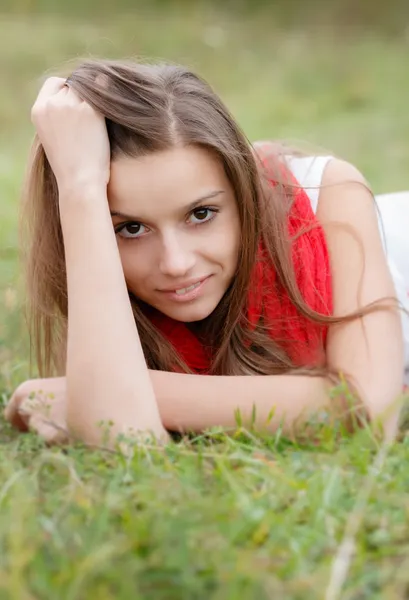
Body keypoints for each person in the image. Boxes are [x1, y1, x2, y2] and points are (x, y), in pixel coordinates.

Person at [4, 58, 407, 448]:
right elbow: (121, 443)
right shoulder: (105, 279)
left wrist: (97, 392)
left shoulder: (329, 194)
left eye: (201, 214)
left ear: (244, 192)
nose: (176, 263)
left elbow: (371, 413)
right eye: (130, 228)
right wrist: (79, 189)